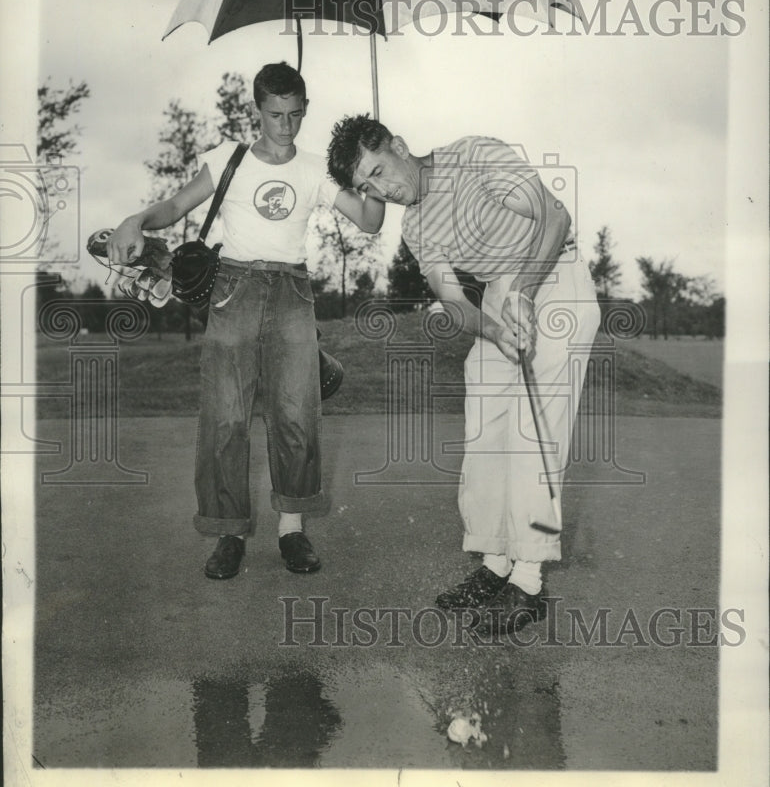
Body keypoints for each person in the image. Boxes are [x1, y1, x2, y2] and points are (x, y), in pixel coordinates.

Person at [107, 64, 384, 580]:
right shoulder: (226, 158)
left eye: (296, 115)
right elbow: (174, 205)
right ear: (256, 110)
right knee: (226, 418)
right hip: (233, 290)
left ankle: (292, 530)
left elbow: (369, 223)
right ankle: (228, 532)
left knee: (297, 415)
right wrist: (135, 221)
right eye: (276, 115)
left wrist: (373, 168)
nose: (286, 126)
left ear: (305, 109)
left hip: (293, 292)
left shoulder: (315, 170)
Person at [327, 116, 600, 638]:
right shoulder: (413, 226)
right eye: (367, 187)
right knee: (487, 433)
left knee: (534, 435)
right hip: (502, 298)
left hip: (554, 276)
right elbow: (453, 303)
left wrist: (523, 288)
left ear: (400, 146)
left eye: (380, 170)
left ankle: (529, 579)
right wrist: (495, 330)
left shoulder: (472, 154)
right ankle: (496, 562)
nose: (382, 189)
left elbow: (555, 216)